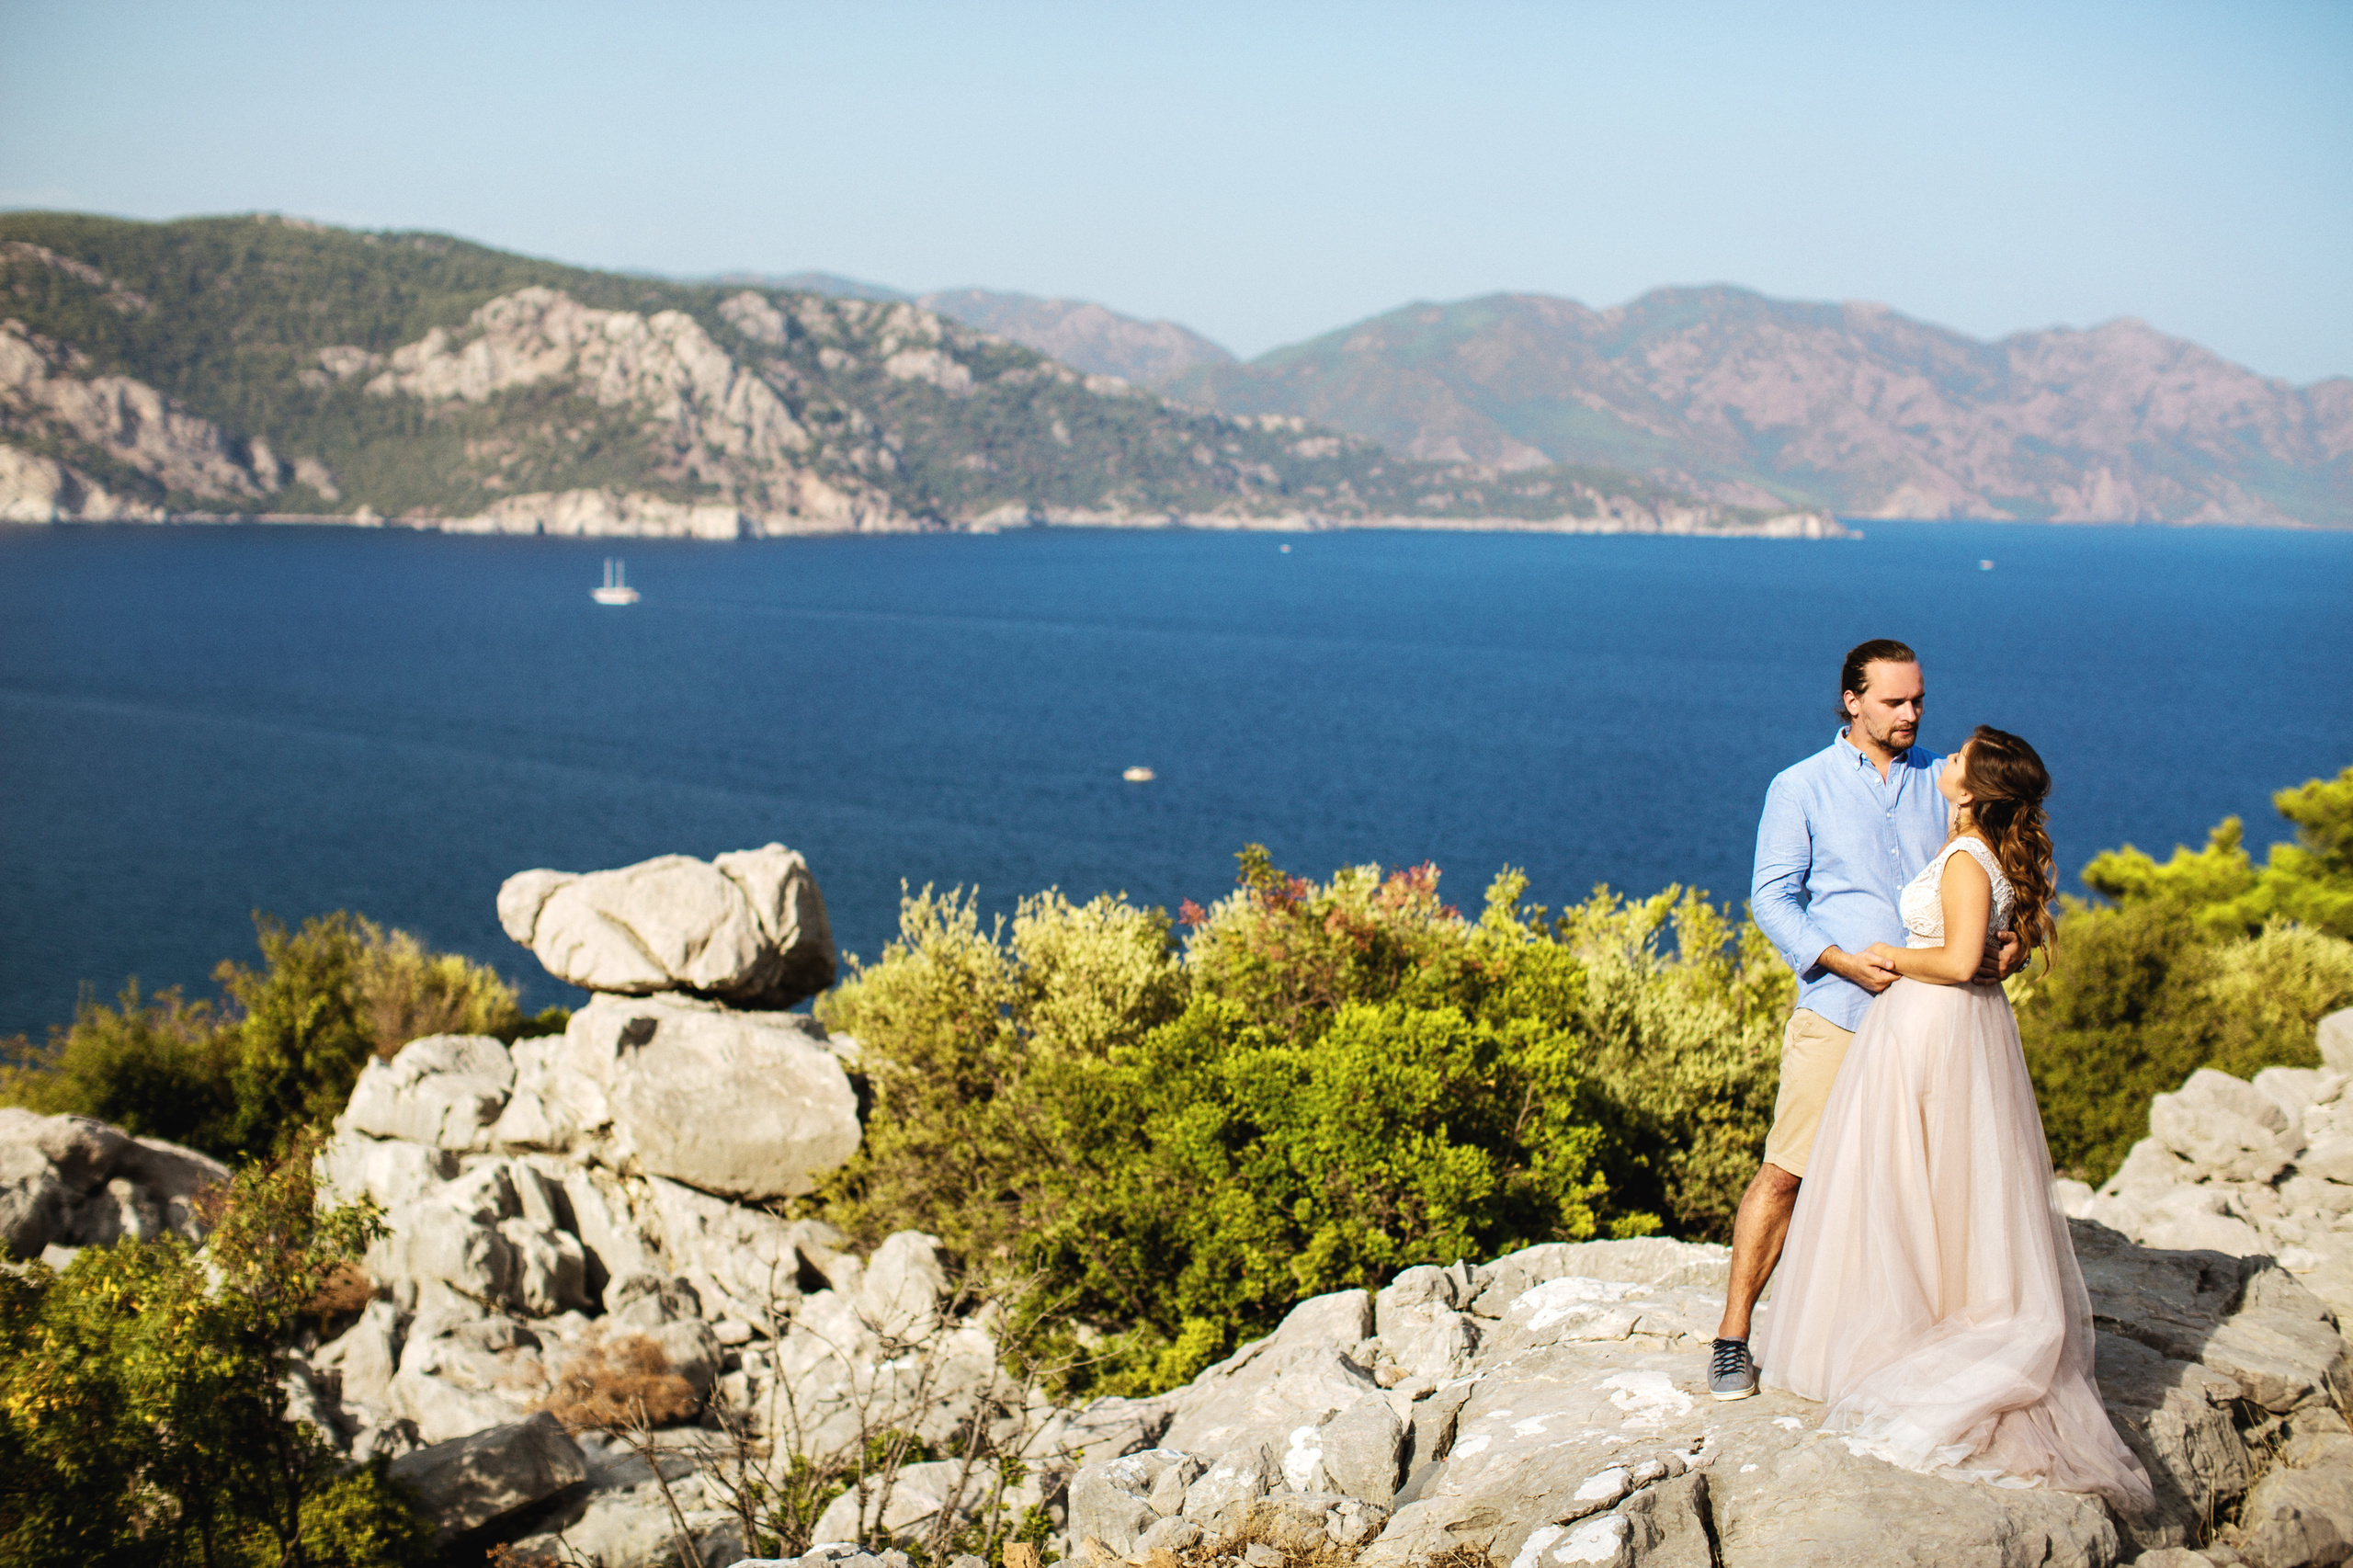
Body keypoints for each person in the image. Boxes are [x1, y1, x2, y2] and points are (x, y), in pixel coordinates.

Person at [1752, 727, 2153, 1506]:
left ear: (1970, 788)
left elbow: (1962, 957)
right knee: (1928, 1182)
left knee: (1905, 1179)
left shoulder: (1967, 854)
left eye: (1961, 756)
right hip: (1925, 1024)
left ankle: (1910, 1339)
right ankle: (1877, 1323)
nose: (1944, 753)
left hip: (1930, 1024)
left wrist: (1893, 955)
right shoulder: (1955, 831)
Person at [1707, 640, 2019, 1401]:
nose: (1911, 714)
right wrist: (1840, 961)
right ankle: (1732, 1338)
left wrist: (2010, 947)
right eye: (1894, 702)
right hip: (1840, 1013)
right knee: (1787, 1172)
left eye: (1918, 701)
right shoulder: (1799, 786)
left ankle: (1916, 1342)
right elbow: (1772, 899)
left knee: (1932, 1185)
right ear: (1852, 701)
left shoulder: (1950, 782)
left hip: (1932, 1025)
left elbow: (2009, 869)